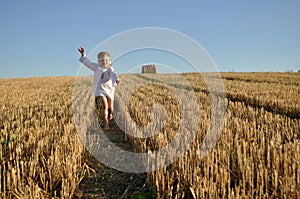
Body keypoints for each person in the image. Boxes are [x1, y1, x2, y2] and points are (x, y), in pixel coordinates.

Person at [78, 46, 120, 130]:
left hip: (109, 88)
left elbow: (114, 74)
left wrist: (117, 80)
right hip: (100, 89)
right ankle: (106, 124)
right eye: (101, 60)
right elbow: (88, 63)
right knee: (105, 106)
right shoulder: (96, 67)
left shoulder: (110, 68)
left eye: (105, 60)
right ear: (98, 61)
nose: (104, 62)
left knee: (110, 108)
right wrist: (83, 55)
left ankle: (110, 115)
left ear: (108, 60)